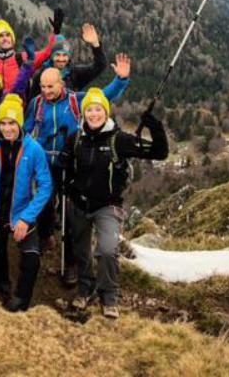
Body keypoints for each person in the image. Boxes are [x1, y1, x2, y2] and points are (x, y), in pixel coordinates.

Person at [23, 54, 132, 285]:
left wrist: (120, 79)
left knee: (72, 215)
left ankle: (71, 261)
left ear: (61, 83)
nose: (45, 91)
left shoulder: (75, 101)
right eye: (42, 86)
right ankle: (45, 238)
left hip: (72, 165)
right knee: (43, 205)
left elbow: (103, 97)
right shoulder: (37, 104)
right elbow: (27, 129)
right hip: (45, 164)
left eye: (50, 86)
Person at [59, 88, 168, 319]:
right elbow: (66, 169)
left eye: (98, 109)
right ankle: (85, 288)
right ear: (83, 113)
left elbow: (160, 152)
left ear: (105, 112)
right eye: (89, 109)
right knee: (81, 251)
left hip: (108, 205)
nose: (94, 114)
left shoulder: (119, 139)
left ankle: (109, 295)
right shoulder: (76, 138)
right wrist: (66, 178)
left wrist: (154, 126)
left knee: (107, 250)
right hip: (79, 204)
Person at [0, 94, 52, 312]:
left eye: (12, 123)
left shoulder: (33, 149)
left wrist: (26, 218)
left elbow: (45, 186)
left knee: (32, 258)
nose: (7, 128)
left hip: (22, 213)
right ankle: (1, 287)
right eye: (3, 123)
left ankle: (21, 300)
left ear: (20, 123)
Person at [0, 11, 61, 92]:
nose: (5, 39)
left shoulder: (23, 58)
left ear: (12, 39)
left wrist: (55, 34)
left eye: (8, 35)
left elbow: (46, 53)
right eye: (0, 36)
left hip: (20, 104)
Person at [29, 23, 106, 98]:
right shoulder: (41, 76)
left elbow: (99, 66)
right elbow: (32, 103)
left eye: (64, 55)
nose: (61, 59)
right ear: (51, 56)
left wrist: (96, 44)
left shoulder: (74, 74)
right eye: (57, 55)